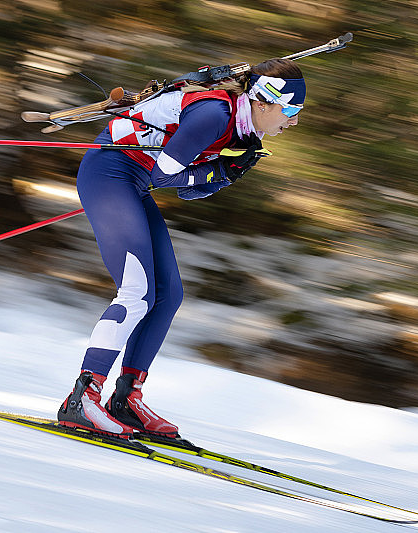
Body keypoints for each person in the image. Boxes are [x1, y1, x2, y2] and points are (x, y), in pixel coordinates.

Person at [57, 58, 306, 439]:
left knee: (168, 294)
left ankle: (126, 399)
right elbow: (165, 175)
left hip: (134, 182)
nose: (294, 121)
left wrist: (225, 176)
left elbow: (190, 192)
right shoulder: (214, 114)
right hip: (109, 173)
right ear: (262, 102)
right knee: (136, 291)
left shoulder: (242, 132)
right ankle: (83, 398)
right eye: (290, 110)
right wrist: (217, 171)